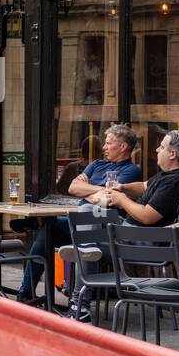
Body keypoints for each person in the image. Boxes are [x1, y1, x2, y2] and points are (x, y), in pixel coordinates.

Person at [70, 129, 179, 322]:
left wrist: (121, 199)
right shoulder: (167, 176)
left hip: (144, 244)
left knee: (87, 231)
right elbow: (145, 185)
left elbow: (147, 216)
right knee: (88, 214)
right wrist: (123, 187)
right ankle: (80, 299)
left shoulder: (176, 181)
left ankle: (79, 302)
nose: (156, 149)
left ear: (172, 154)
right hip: (132, 234)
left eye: (161, 147)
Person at [18, 124, 143, 302]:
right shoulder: (97, 164)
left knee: (53, 228)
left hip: (103, 229)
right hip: (79, 224)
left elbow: (107, 199)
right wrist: (96, 192)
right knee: (48, 230)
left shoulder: (131, 171)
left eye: (108, 143)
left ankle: (79, 300)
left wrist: (88, 191)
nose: (104, 147)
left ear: (122, 147)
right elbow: (73, 187)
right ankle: (26, 290)